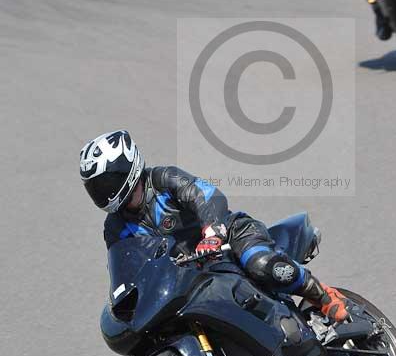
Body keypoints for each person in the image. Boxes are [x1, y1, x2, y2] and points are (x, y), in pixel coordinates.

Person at [80, 130, 350, 323]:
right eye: (95, 187)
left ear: (128, 167)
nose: (103, 192)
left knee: (262, 265)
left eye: (106, 182)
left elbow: (206, 196)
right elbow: (125, 263)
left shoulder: (164, 180)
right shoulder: (115, 227)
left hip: (230, 235)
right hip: (185, 273)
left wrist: (212, 232)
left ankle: (321, 294)